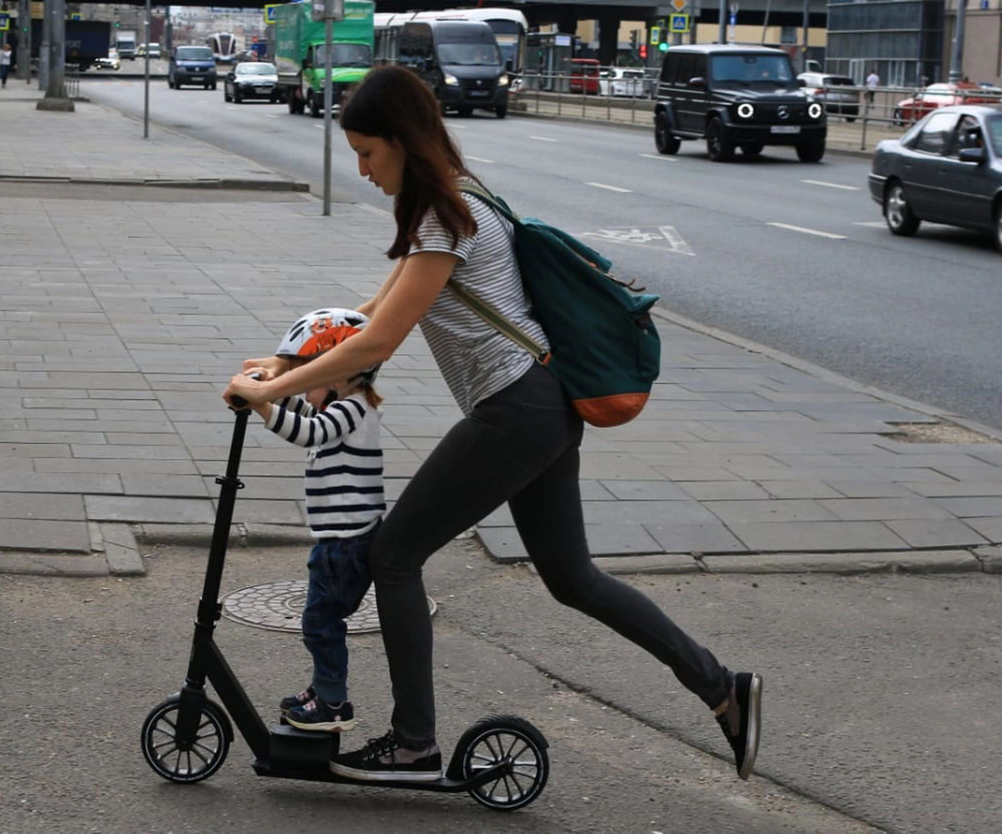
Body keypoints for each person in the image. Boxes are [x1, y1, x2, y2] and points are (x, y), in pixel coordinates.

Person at [222, 65, 763, 784]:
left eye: (369, 154)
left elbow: (378, 344)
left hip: (515, 411)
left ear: (405, 144)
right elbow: (365, 322)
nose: (362, 168)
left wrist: (275, 392)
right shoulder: (451, 205)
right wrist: (282, 362)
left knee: (394, 555)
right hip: (541, 407)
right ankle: (722, 686)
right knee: (573, 579)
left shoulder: (444, 218)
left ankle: (414, 742)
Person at [243, 308, 385, 734]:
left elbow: (308, 432)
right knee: (319, 622)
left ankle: (332, 704)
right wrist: (266, 389)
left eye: (309, 377)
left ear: (340, 371)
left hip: (346, 545)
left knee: (321, 624)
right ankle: (323, 690)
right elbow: (302, 412)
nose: (303, 390)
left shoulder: (353, 411)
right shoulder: (344, 401)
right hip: (338, 541)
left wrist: (261, 405)